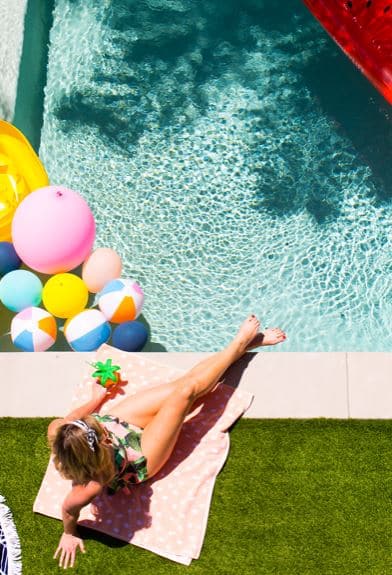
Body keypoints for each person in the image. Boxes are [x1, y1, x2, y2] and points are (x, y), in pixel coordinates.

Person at [48, 315, 286, 569]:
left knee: (181, 386)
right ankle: (239, 345)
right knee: (185, 396)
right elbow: (69, 509)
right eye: (99, 432)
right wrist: (69, 533)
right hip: (138, 459)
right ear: (96, 451)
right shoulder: (91, 485)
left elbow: (74, 418)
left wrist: (96, 400)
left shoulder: (60, 431)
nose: (96, 422)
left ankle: (240, 347)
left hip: (120, 426)